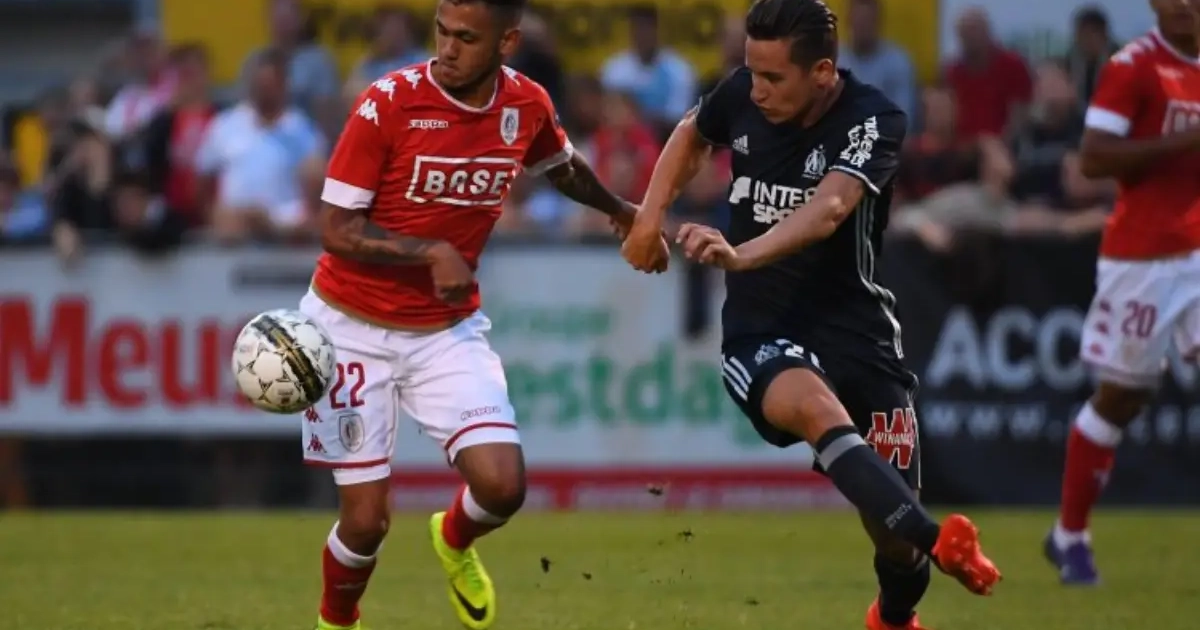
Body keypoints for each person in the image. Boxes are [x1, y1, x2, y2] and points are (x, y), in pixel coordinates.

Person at [621, 1, 1002, 628]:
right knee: (817, 411)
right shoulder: (743, 92)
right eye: (752, 72)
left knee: (896, 546)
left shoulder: (875, 119)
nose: (756, 89)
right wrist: (648, 216)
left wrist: (740, 254)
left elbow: (828, 210)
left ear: (822, 72)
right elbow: (693, 131)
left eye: (774, 78)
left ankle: (894, 614)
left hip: (859, 334)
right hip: (763, 331)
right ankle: (938, 541)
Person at [300, 1, 669, 629]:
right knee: (365, 523)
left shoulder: (527, 104)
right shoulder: (387, 104)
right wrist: (430, 251)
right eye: (441, 32)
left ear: (507, 42)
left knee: (503, 487)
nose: (447, 48)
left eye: (466, 38)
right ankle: (336, 621)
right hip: (349, 326)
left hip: (444, 330)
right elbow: (335, 229)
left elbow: (561, 166)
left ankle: (453, 538)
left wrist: (621, 210)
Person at [1046, 0, 1200, 586]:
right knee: (1121, 398)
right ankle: (1069, 535)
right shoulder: (1133, 66)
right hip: (1142, 260)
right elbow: (1093, 158)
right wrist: (1186, 141)